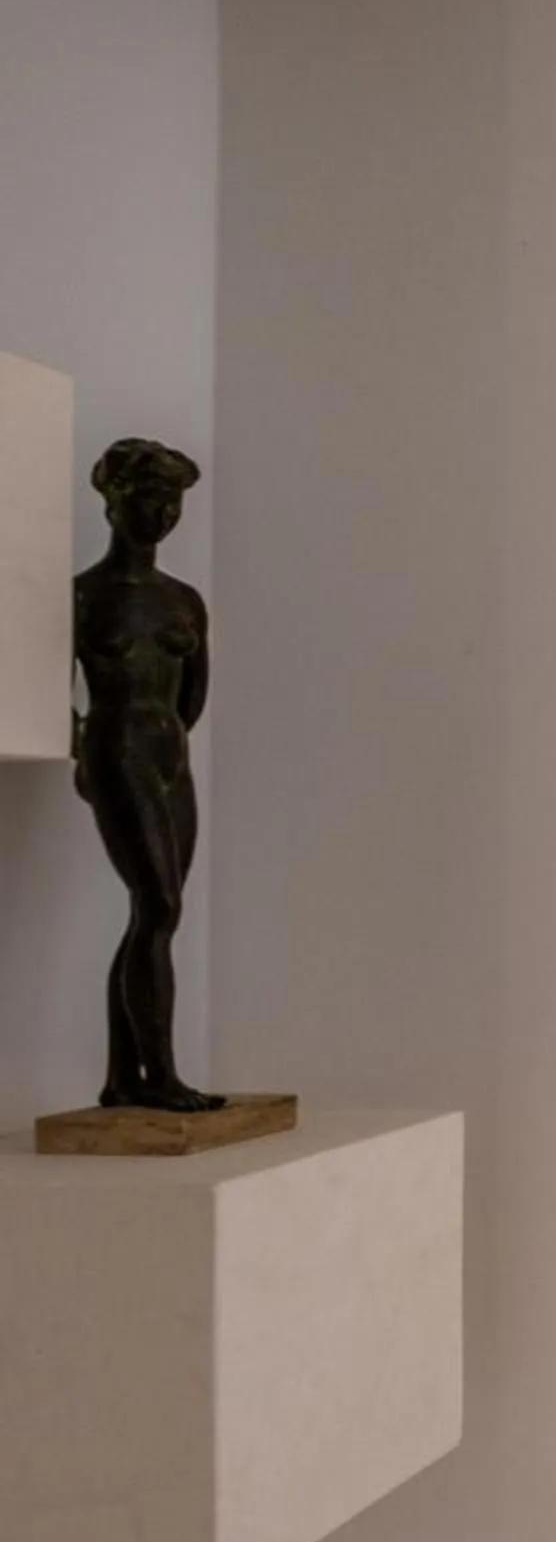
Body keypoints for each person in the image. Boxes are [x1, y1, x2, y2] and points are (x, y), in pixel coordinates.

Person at [71, 438, 222, 1113]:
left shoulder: (184, 600)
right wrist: (86, 747)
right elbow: (50, 687)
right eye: (147, 498)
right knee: (160, 907)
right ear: (112, 500)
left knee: (152, 915)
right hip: (118, 750)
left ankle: (122, 1079)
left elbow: (194, 695)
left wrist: (168, 744)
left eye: (172, 502)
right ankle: (159, 1077)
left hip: (169, 757)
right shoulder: (83, 595)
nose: (160, 514)